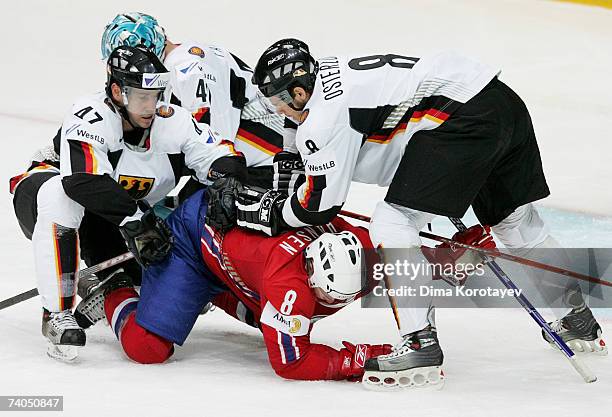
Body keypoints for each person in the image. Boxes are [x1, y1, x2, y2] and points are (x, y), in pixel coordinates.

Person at [223, 39, 606, 388]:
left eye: (278, 101)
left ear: (299, 91)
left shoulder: (325, 118)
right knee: (517, 221)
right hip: (500, 102)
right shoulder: (330, 76)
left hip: (460, 123)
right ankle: (577, 319)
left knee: (393, 223)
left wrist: (263, 215)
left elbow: (318, 206)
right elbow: (316, 151)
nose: (278, 110)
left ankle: (419, 343)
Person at [9, 45, 246, 361]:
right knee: (59, 193)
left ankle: (110, 285)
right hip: (43, 197)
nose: (151, 106)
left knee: (163, 239)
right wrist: (137, 220)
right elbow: (83, 180)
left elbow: (221, 154)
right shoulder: (90, 113)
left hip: (112, 215)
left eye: (156, 95)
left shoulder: (171, 120)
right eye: (141, 97)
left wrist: (227, 179)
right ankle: (55, 314)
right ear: (118, 91)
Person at [77, 188, 391, 381]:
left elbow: (422, 267)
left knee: (268, 321)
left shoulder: (368, 250)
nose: (322, 298)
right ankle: (114, 287)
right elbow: (291, 363)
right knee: (146, 347)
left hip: (239, 261)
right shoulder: (289, 286)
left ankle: (197, 298)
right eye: (320, 291)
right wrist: (357, 360)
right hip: (194, 242)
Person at [100, 12, 286, 191]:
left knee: (180, 216)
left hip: (267, 166)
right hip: (255, 162)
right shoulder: (185, 57)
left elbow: (213, 143)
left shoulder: (187, 71)